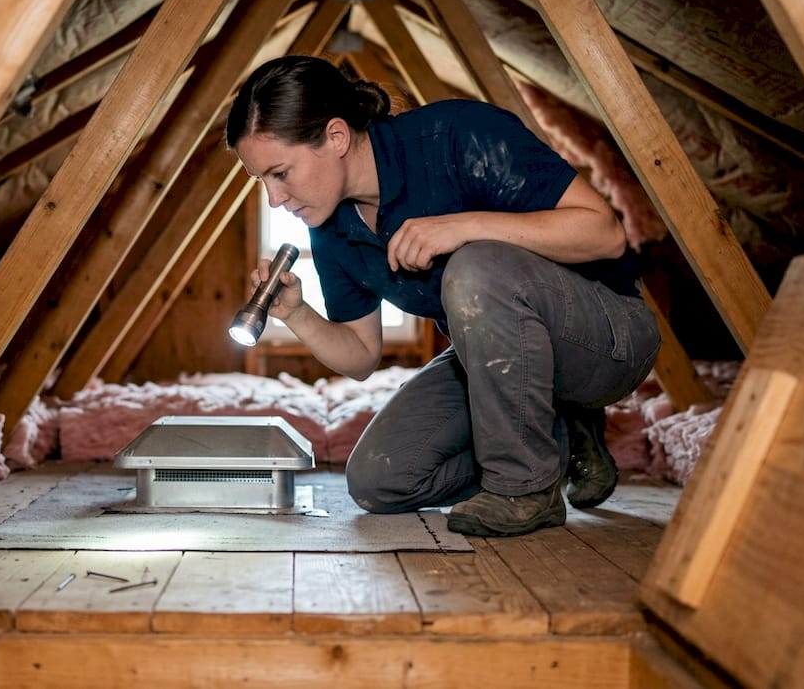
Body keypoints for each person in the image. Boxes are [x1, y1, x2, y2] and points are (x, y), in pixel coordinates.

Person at [225, 56, 660, 537]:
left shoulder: (458, 136)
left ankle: (523, 488)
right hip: (497, 360)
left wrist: (464, 227)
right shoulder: (330, 226)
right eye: (261, 180)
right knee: (379, 479)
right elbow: (362, 355)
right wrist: (298, 314)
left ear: (336, 137)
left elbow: (605, 233)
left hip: (610, 338)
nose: (274, 198)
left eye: (280, 173)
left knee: (475, 265)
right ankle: (556, 435)